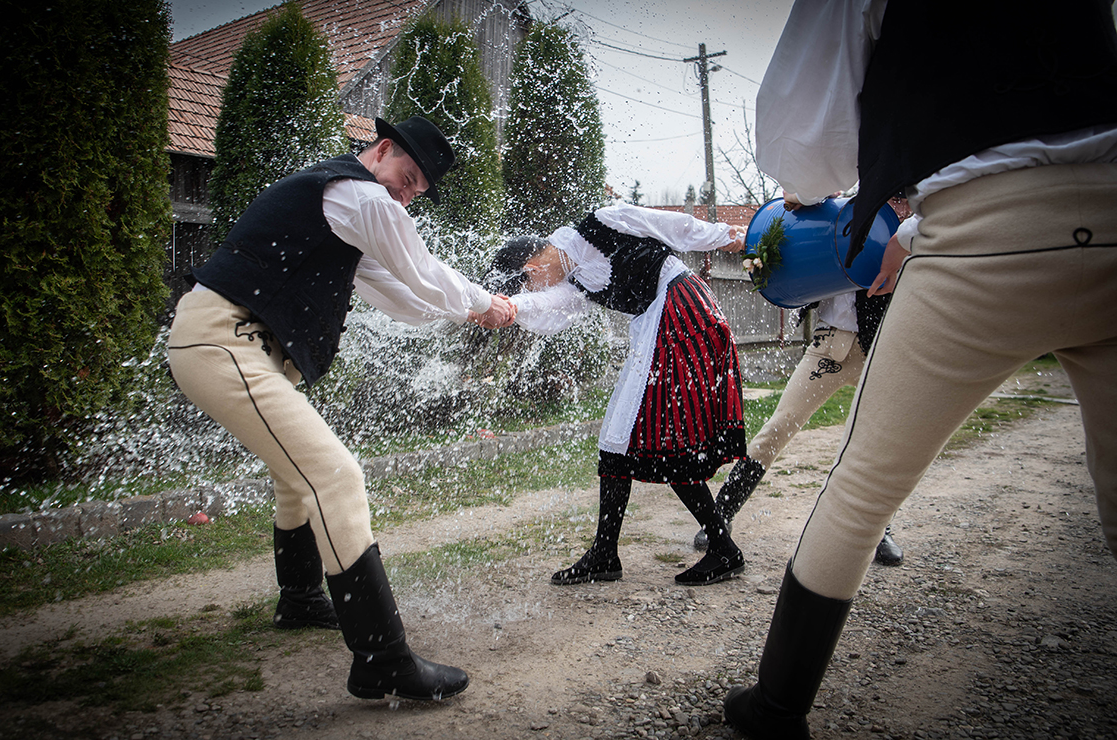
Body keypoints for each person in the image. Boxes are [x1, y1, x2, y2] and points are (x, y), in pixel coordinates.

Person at [722, 2, 1117, 738]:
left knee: (862, 482)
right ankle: (723, 517)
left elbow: (802, 142)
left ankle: (775, 710)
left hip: (988, 236)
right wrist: (906, 223)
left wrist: (835, 194)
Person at [167, 116, 515, 702]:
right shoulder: (357, 193)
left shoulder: (346, 211)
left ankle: (301, 599)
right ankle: (383, 659)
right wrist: (486, 301)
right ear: (381, 150)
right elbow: (424, 270)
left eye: (416, 193)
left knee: (297, 480)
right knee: (337, 477)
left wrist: (468, 311)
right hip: (225, 343)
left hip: (230, 345)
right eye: (406, 179)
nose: (406, 196)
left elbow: (401, 296)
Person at [480, 202, 750, 586]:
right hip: (656, 324)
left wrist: (725, 237)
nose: (537, 288)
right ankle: (605, 554)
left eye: (526, 285)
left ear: (532, 269)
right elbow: (550, 307)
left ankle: (723, 549)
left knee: (662, 438)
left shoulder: (601, 221)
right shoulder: (577, 280)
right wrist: (511, 306)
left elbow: (673, 225)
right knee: (616, 439)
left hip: (681, 312)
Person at [691, 288, 905, 566]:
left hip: (880, 345)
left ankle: (879, 529)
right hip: (827, 343)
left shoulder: (892, 242)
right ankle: (721, 515)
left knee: (880, 438)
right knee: (777, 429)